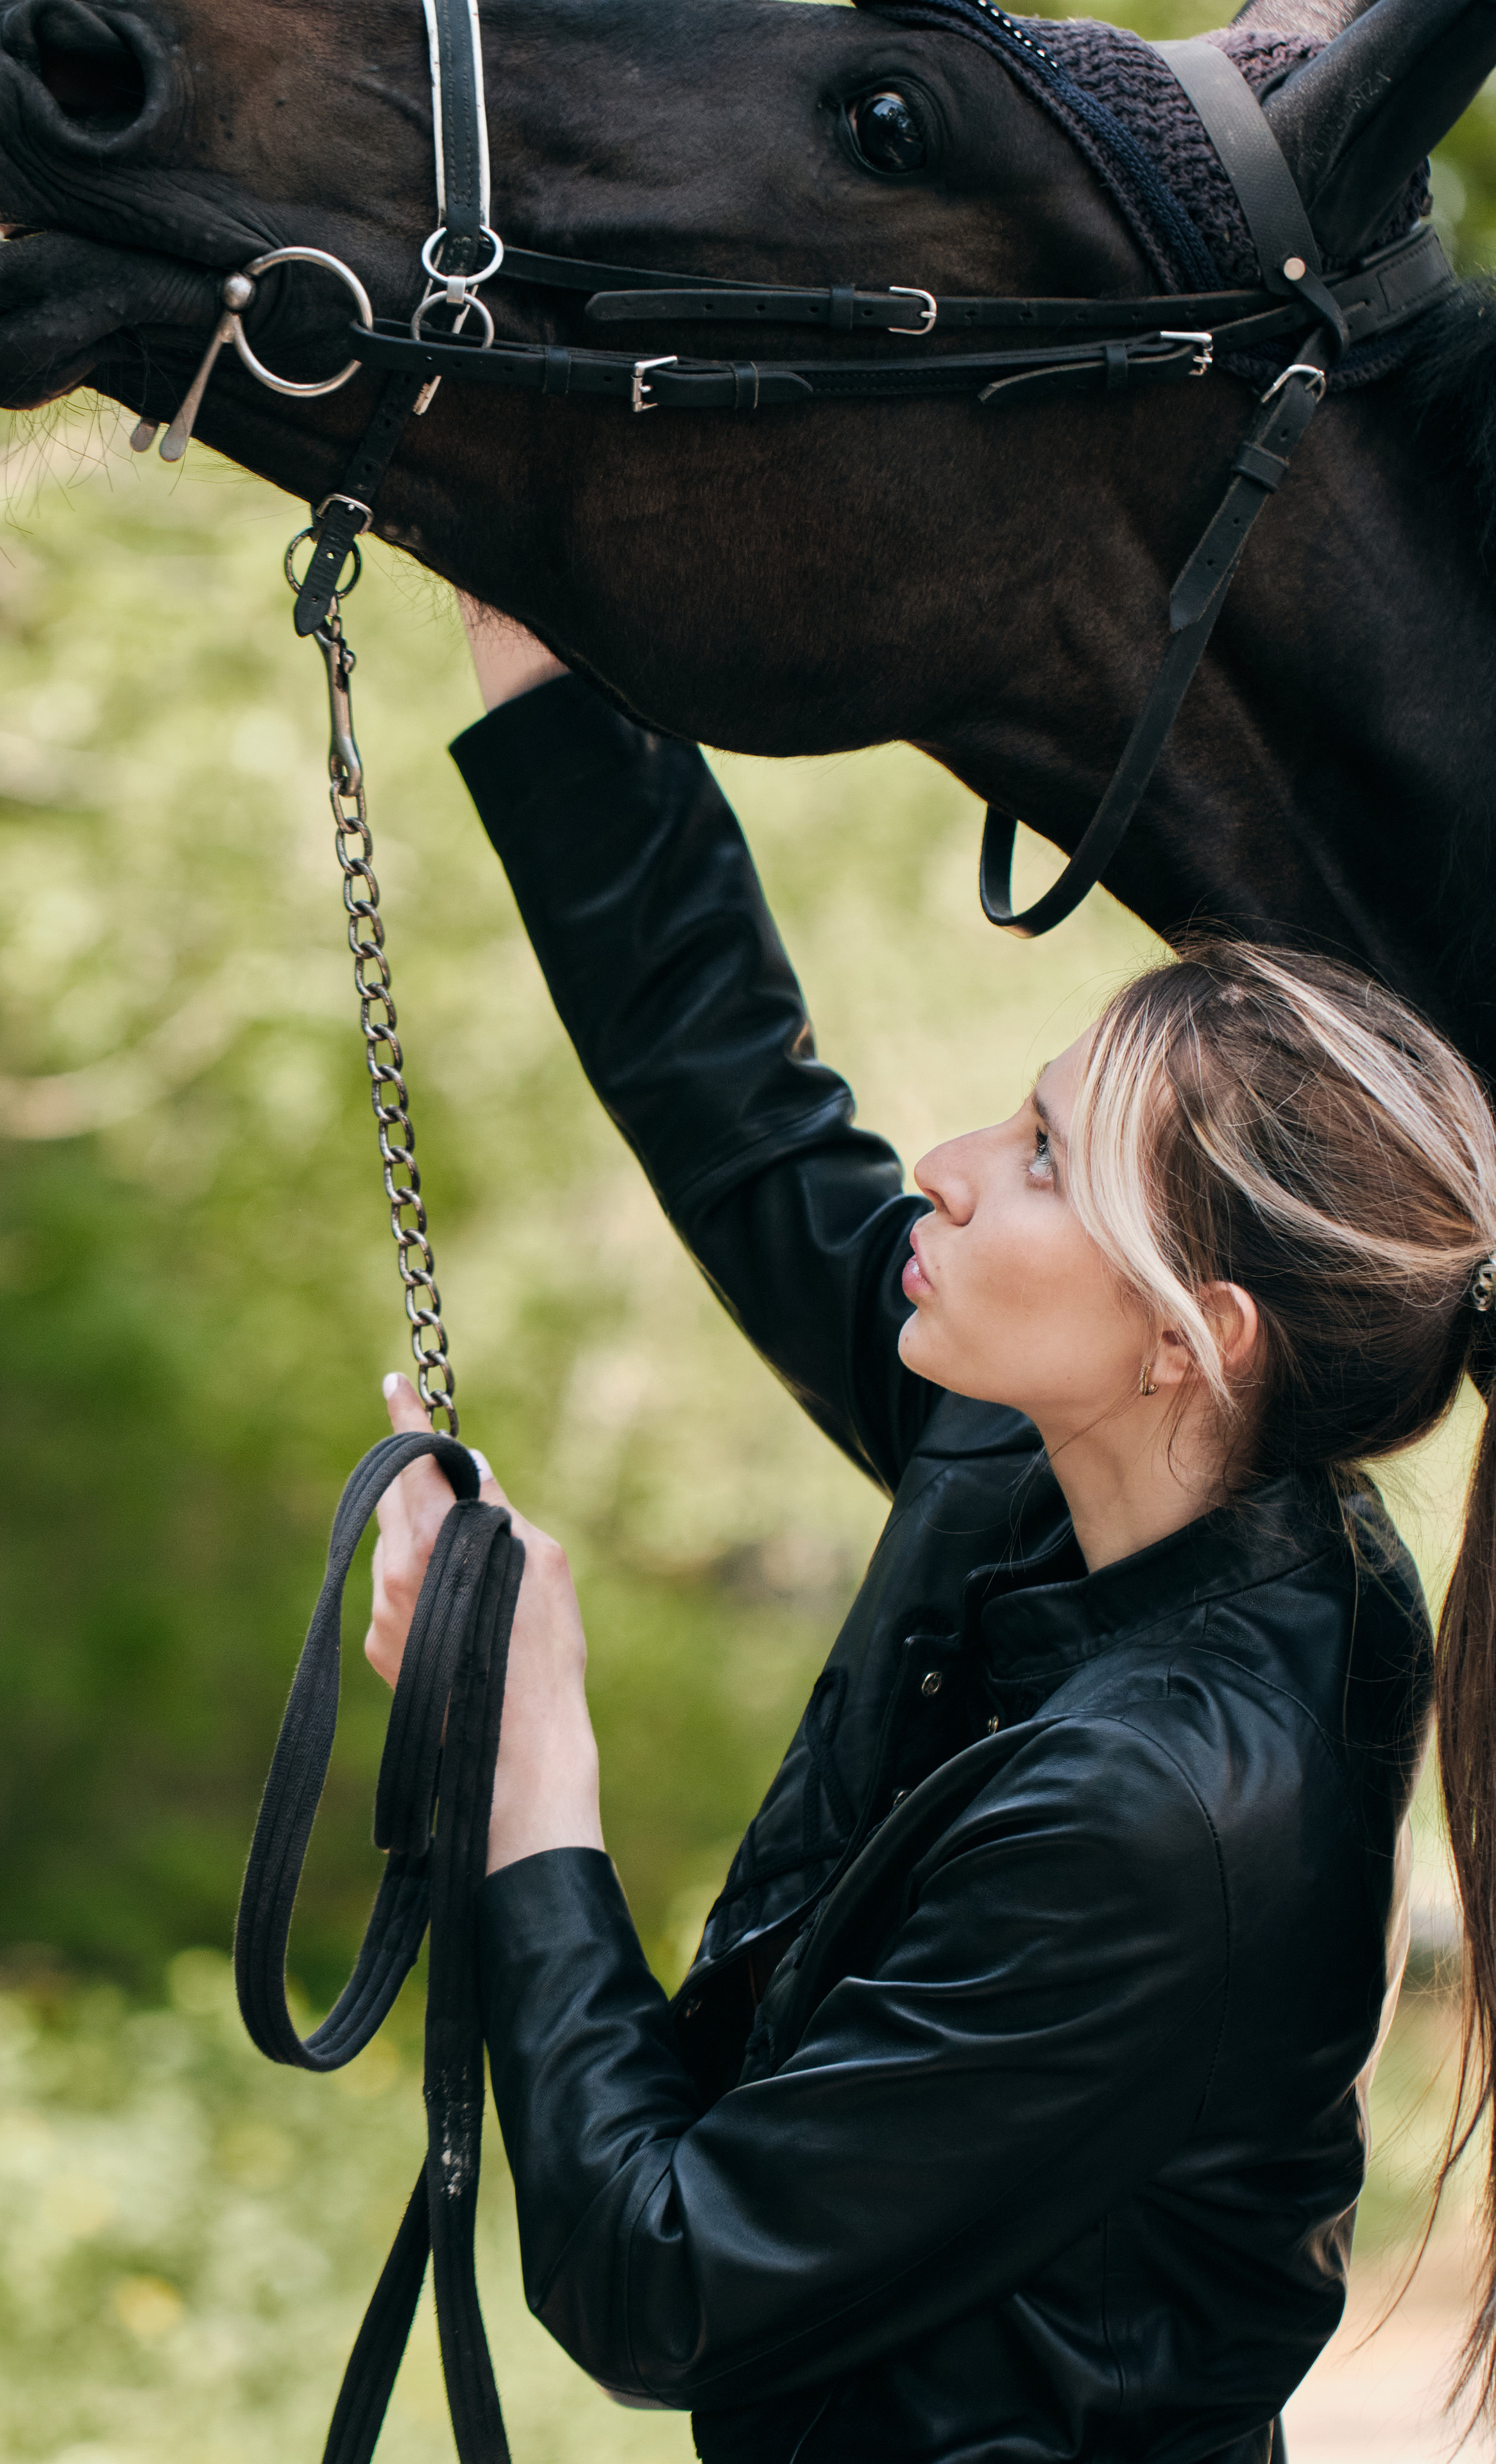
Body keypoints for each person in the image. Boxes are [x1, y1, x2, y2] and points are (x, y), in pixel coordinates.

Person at [361, 604, 1496, 2464]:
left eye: (1047, 1155)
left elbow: (663, 2271)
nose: (954, 1165)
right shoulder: (1108, 1464)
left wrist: (527, 1766)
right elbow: (752, 1130)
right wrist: (551, 668)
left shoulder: (1170, 1816)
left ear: (1186, 1338)